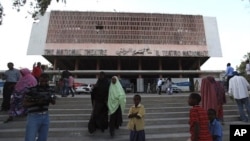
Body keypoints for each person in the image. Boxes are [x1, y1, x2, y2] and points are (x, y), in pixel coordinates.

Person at [23, 73, 56, 141]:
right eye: (42, 81)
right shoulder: (32, 90)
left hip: (45, 116)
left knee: (43, 138)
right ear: (39, 80)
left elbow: (53, 102)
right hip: (33, 116)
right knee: (30, 138)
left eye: (45, 81)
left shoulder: (50, 90)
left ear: (48, 80)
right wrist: (37, 102)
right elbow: (25, 103)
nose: (44, 82)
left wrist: (51, 99)